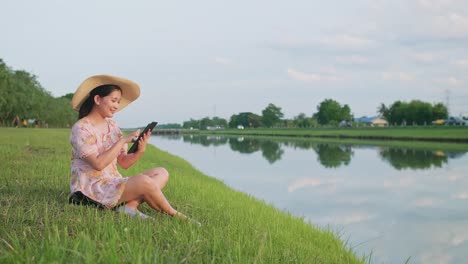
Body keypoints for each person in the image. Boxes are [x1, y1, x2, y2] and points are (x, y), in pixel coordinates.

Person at [68, 74, 198, 224]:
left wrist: (140, 150)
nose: (117, 106)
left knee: (161, 172)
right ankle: (174, 214)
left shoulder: (113, 126)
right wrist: (122, 140)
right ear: (97, 99)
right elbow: (98, 164)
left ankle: (129, 206)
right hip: (91, 188)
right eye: (114, 100)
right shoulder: (81, 128)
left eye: (118, 102)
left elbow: (123, 163)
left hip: (111, 181)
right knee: (144, 181)